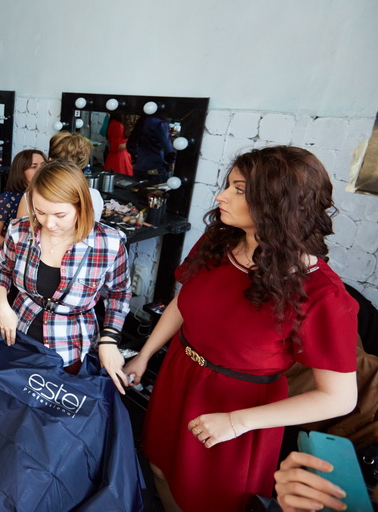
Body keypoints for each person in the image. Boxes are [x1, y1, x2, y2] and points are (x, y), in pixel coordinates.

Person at [123, 146, 359, 512]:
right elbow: (183, 304)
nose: (220, 196)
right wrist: (146, 353)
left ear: (277, 204)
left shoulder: (322, 294)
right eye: (228, 186)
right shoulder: (218, 243)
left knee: (207, 498)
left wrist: (238, 421)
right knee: (160, 467)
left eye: (239, 190)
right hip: (178, 374)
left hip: (238, 405)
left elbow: (339, 397)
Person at [0, 159, 131, 389]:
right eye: (40, 212)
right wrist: (2, 306)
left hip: (70, 347)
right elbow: (2, 267)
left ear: (80, 205)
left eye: (60, 215)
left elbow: (120, 293)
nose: (49, 223)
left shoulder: (108, 243)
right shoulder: (20, 230)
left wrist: (109, 339)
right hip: (19, 335)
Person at [16, 131, 104, 221]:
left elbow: (21, 229)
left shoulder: (31, 196)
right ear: (82, 163)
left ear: (50, 160)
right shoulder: (95, 196)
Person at [0, 149, 45, 247]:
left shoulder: (47, 195)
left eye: (43, 165)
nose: (41, 170)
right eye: (34, 166)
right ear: (21, 171)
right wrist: (14, 249)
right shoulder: (8, 198)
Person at [127, 114, 175, 184]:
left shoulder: (141, 121)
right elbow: (168, 147)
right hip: (156, 168)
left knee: (137, 189)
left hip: (139, 168)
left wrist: (137, 156)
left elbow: (130, 145)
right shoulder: (160, 124)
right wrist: (171, 162)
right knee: (156, 190)